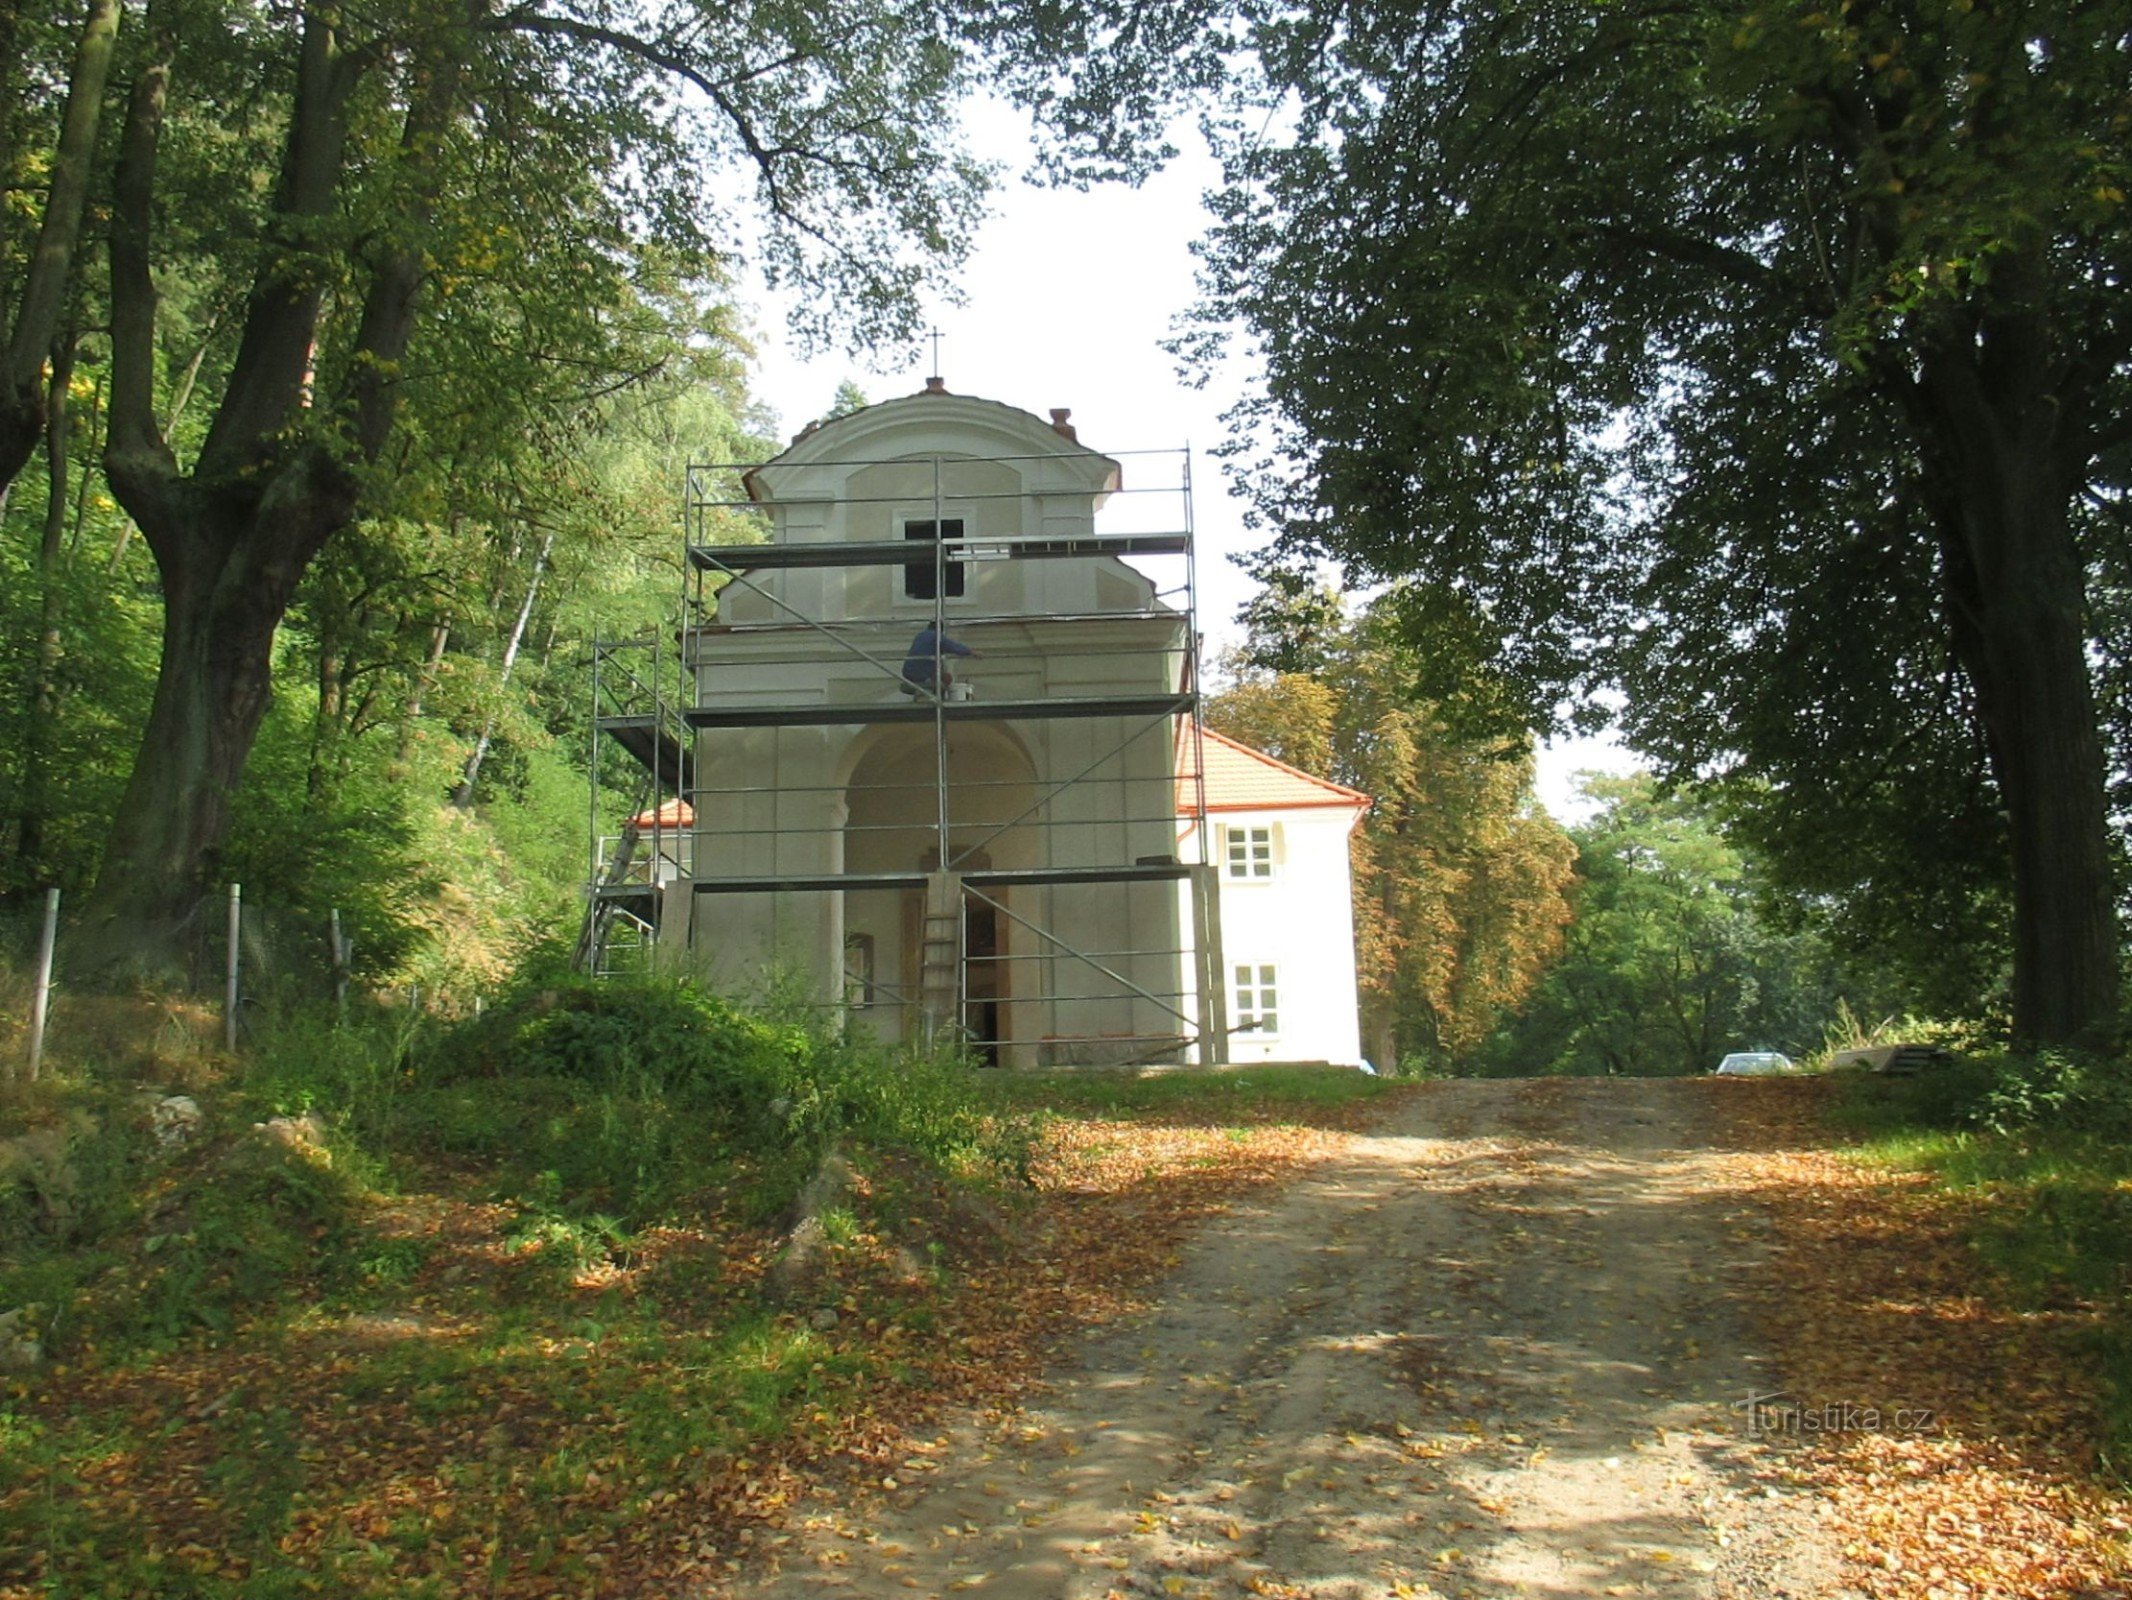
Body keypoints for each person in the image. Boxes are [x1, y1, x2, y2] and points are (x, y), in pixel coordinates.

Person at [901, 626, 979, 695]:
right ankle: (937, 700)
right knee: (947, 678)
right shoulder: (936, 636)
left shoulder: (920, 635)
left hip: (908, 674)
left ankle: (930, 696)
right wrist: (971, 652)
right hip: (922, 674)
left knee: (940, 677)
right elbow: (953, 646)